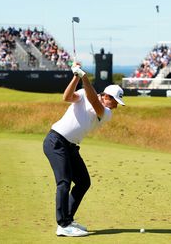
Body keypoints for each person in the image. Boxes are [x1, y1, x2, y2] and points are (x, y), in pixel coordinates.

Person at [43, 63, 125, 237]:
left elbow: (94, 101)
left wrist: (84, 77)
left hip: (71, 147)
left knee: (83, 182)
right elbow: (66, 97)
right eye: (115, 101)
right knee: (64, 182)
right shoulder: (83, 94)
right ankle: (63, 225)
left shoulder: (106, 112)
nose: (116, 106)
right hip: (56, 141)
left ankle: (68, 218)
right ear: (107, 96)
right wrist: (76, 77)